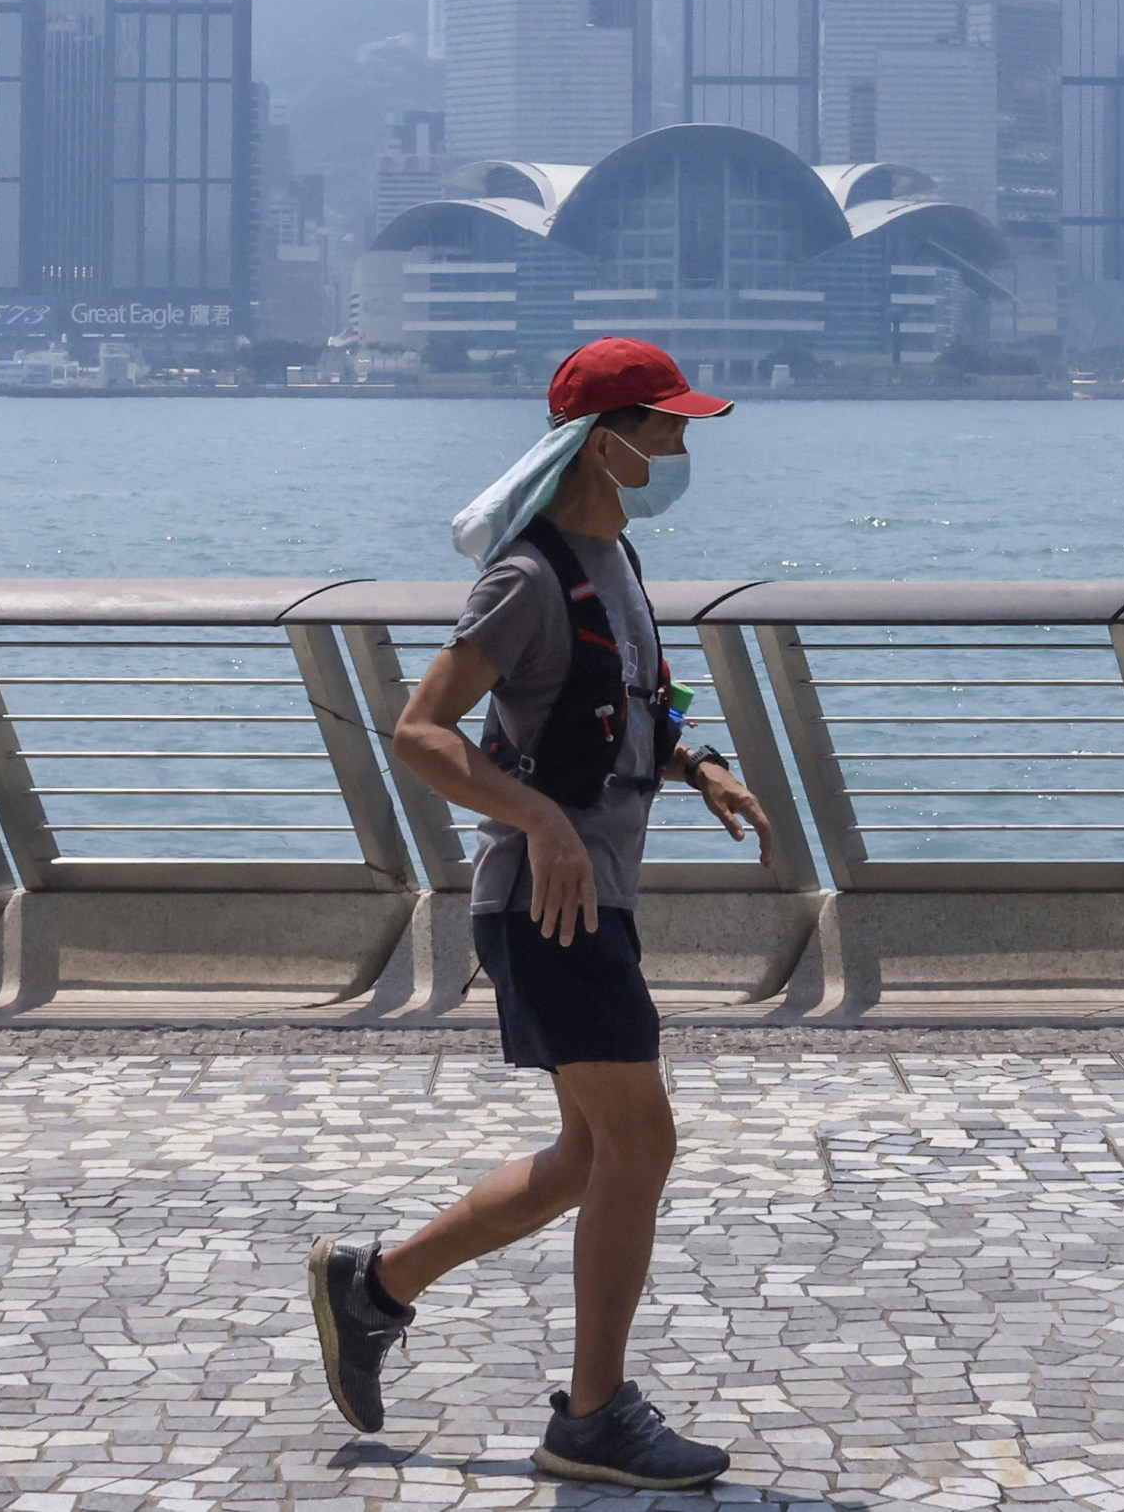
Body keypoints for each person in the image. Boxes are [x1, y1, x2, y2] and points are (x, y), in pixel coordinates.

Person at [306, 336, 772, 1491]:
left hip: (594, 893)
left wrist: (697, 760)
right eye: (664, 426)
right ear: (600, 443)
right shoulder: (527, 578)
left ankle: (375, 1289)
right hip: (546, 903)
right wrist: (540, 821)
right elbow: (422, 731)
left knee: (585, 1156)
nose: (681, 444)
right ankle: (594, 1417)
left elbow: (624, 708)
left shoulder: (615, 561)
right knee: (641, 1140)